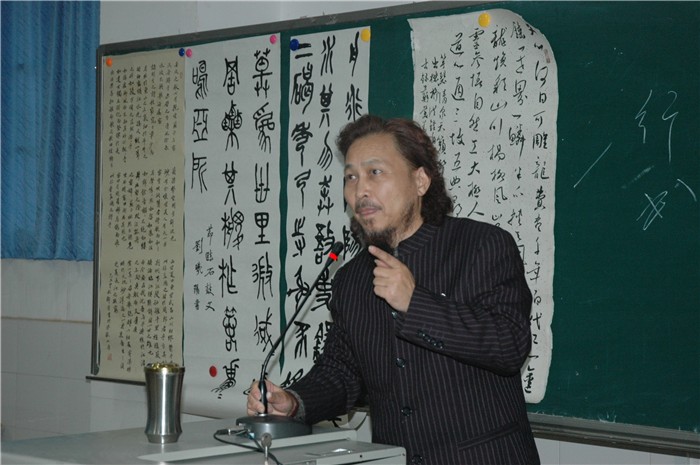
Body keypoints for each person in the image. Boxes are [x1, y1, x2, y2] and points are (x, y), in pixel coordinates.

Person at [246, 114, 540, 464]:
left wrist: (416, 303)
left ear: (420, 181)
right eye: (351, 177)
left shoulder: (481, 245)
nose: (360, 191)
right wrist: (294, 402)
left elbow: (509, 345)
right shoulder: (352, 278)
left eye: (375, 172)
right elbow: (342, 373)